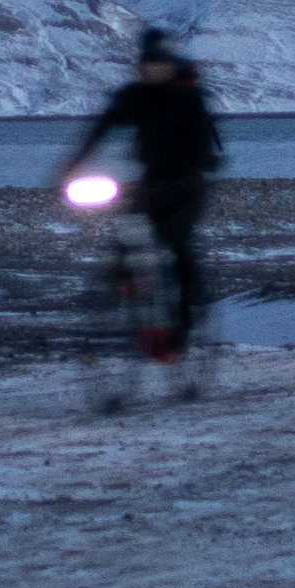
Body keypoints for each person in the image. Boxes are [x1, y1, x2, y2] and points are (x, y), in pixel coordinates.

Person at [58, 29, 226, 356]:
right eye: (147, 61)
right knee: (123, 239)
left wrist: (196, 162)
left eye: (159, 62)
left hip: (186, 185)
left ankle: (186, 322)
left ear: (170, 63)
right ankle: (132, 301)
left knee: (178, 246)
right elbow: (103, 127)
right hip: (151, 183)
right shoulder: (136, 95)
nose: (151, 68)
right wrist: (72, 164)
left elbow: (202, 147)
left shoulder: (188, 96)